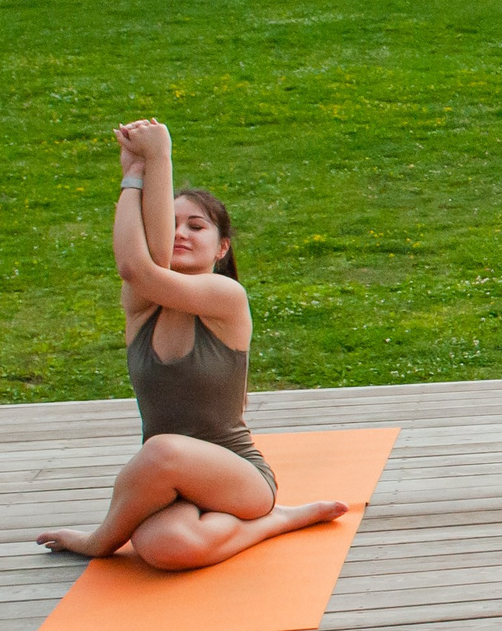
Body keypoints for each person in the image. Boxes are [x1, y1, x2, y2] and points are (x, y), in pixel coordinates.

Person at [35, 120, 348, 569]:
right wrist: (135, 174)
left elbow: (139, 266)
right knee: (166, 550)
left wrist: (158, 158)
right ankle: (275, 523)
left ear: (221, 249)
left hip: (236, 477)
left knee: (161, 448)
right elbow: (143, 264)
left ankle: (105, 539)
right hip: (167, 480)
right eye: (172, 223)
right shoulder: (142, 306)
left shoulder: (225, 298)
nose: (180, 233)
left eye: (196, 226)